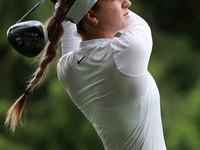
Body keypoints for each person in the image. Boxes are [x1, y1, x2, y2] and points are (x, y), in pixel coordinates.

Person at [5, 0, 167, 149]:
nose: (127, 2)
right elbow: (134, 22)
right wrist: (66, 8)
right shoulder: (129, 51)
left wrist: (69, 9)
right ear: (90, 15)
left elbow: (73, 24)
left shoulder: (68, 68)